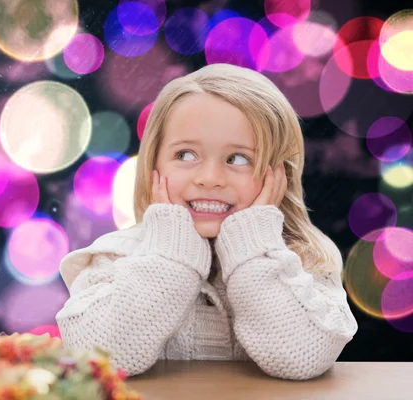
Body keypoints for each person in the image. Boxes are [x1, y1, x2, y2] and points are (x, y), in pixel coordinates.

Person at [55, 63, 358, 380]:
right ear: (153, 164)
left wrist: (255, 250)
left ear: (279, 174)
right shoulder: (115, 257)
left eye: (238, 159)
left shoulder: (306, 258)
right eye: (185, 155)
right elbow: (95, 358)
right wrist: (170, 255)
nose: (210, 178)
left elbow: (303, 359)